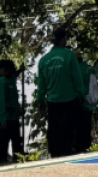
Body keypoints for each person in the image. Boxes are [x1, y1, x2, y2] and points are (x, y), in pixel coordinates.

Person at [36, 29, 86, 158]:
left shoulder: (43, 60)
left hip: (53, 101)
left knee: (54, 129)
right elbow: (77, 78)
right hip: (70, 99)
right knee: (72, 128)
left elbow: (41, 85)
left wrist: (40, 99)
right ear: (63, 39)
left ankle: (55, 153)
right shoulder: (69, 56)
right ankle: (71, 151)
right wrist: (82, 95)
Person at [76, 54, 98, 153]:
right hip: (88, 104)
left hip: (76, 104)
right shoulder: (91, 69)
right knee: (87, 128)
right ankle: (86, 148)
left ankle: (78, 149)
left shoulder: (72, 70)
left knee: (76, 129)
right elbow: (97, 87)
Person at [3, 62, 25, 158]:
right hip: (6, 118)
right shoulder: (2, 82)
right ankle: (3, 159)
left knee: (16, 140)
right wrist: (14, 107)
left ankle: (18, 157)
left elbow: (16, 74)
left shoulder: (12, 79)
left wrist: (21, 70)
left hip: (15, 117)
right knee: (5, 141)